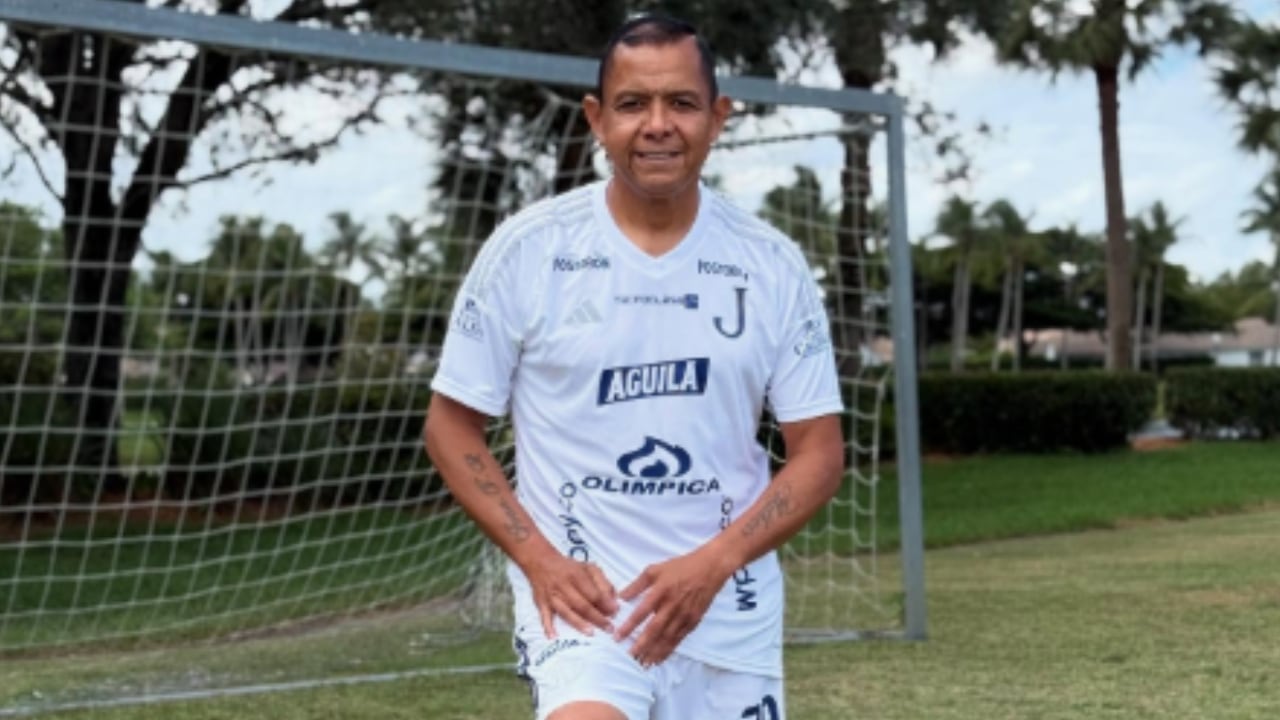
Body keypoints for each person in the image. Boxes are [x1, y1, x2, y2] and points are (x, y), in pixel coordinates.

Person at [423, 14, 845, 720]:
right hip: (584, 609)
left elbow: (819, 454)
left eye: (680, 103)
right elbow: (449, 427)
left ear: (718, 117)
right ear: (596, 119)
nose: (657, 125)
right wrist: (540, 561)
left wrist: (713, 564)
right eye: (632, 104)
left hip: (729, 607)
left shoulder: (770, 265)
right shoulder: (529, 252)